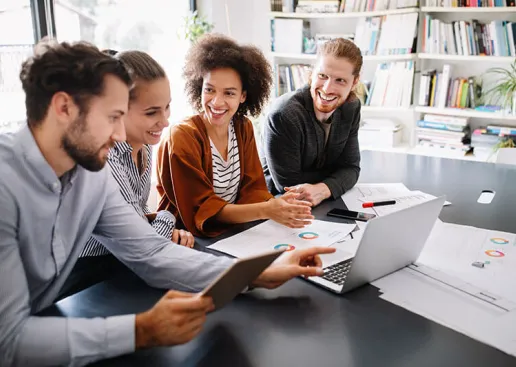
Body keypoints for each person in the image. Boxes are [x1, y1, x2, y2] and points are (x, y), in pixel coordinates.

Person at [0, 39, 335, 366]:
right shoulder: (6, 187)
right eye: (112, 117)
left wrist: (259, 272)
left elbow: (150, 251)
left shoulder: (92, 174)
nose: (119, 136)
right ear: (63, 108)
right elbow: (9, 341)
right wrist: (140, 331)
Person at [59, 50, 194, 300]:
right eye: (152, 112)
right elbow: (146, 244)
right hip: (81, 283)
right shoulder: (103, 159)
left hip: (119, 267)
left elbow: (136, 221)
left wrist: (149, 223)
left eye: (167, 108)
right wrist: (165, 216)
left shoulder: (144, 145)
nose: (164, 121)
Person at [156, 34, 314, 238]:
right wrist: (267, 209)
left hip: (232, 234)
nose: (216, 102)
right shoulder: (183, 137)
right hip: (186, 237)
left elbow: (253, 189)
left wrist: (276, 203)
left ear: (243, 96)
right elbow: (203, 210)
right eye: (209, 90)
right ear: (199, 88)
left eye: (229, 93)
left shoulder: (242, 127)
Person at [261, 38, 362, 207]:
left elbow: (351, 169)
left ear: (354, 82)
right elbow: (287, 185)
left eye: (340, 80)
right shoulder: (284, 114)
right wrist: (336, 177)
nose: (327, 88)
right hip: (278, 205)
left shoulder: (351, 107)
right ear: (312, 73)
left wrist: (324, 189)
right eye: (323, 76)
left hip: (324, 202)